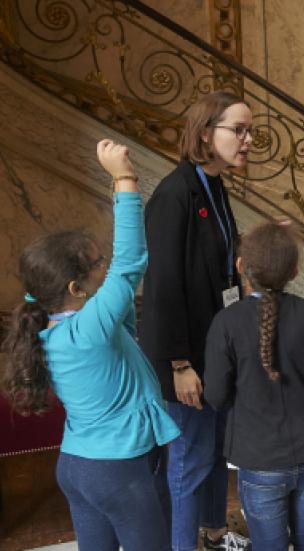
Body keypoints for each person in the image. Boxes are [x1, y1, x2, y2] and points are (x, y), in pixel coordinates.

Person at [1, 140, 179, 550]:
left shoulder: (56, 325)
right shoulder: (89, 331)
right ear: (75, 287)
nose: (108, 265)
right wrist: (123, 177)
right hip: (116, 472)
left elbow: (123, 289)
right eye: (100, 263)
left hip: (78, 467)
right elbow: (131, 261)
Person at [138, 91, 251, 551]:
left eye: (250, 131)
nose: (248, 140)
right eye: (238, 130)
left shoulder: (214, 184)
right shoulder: (174, 193)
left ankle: (214, 531)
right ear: (207, 133)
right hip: (184, 355)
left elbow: (220, 260)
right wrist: (180, 363)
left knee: (213, 452)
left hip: (213, 348)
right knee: (188, 457)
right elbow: (163, 286)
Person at [203, 223, 304, 550]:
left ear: (241, 267)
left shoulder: (226, 322)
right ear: (294, 272)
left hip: (260, 457)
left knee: (270, 545)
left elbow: (216, 396)